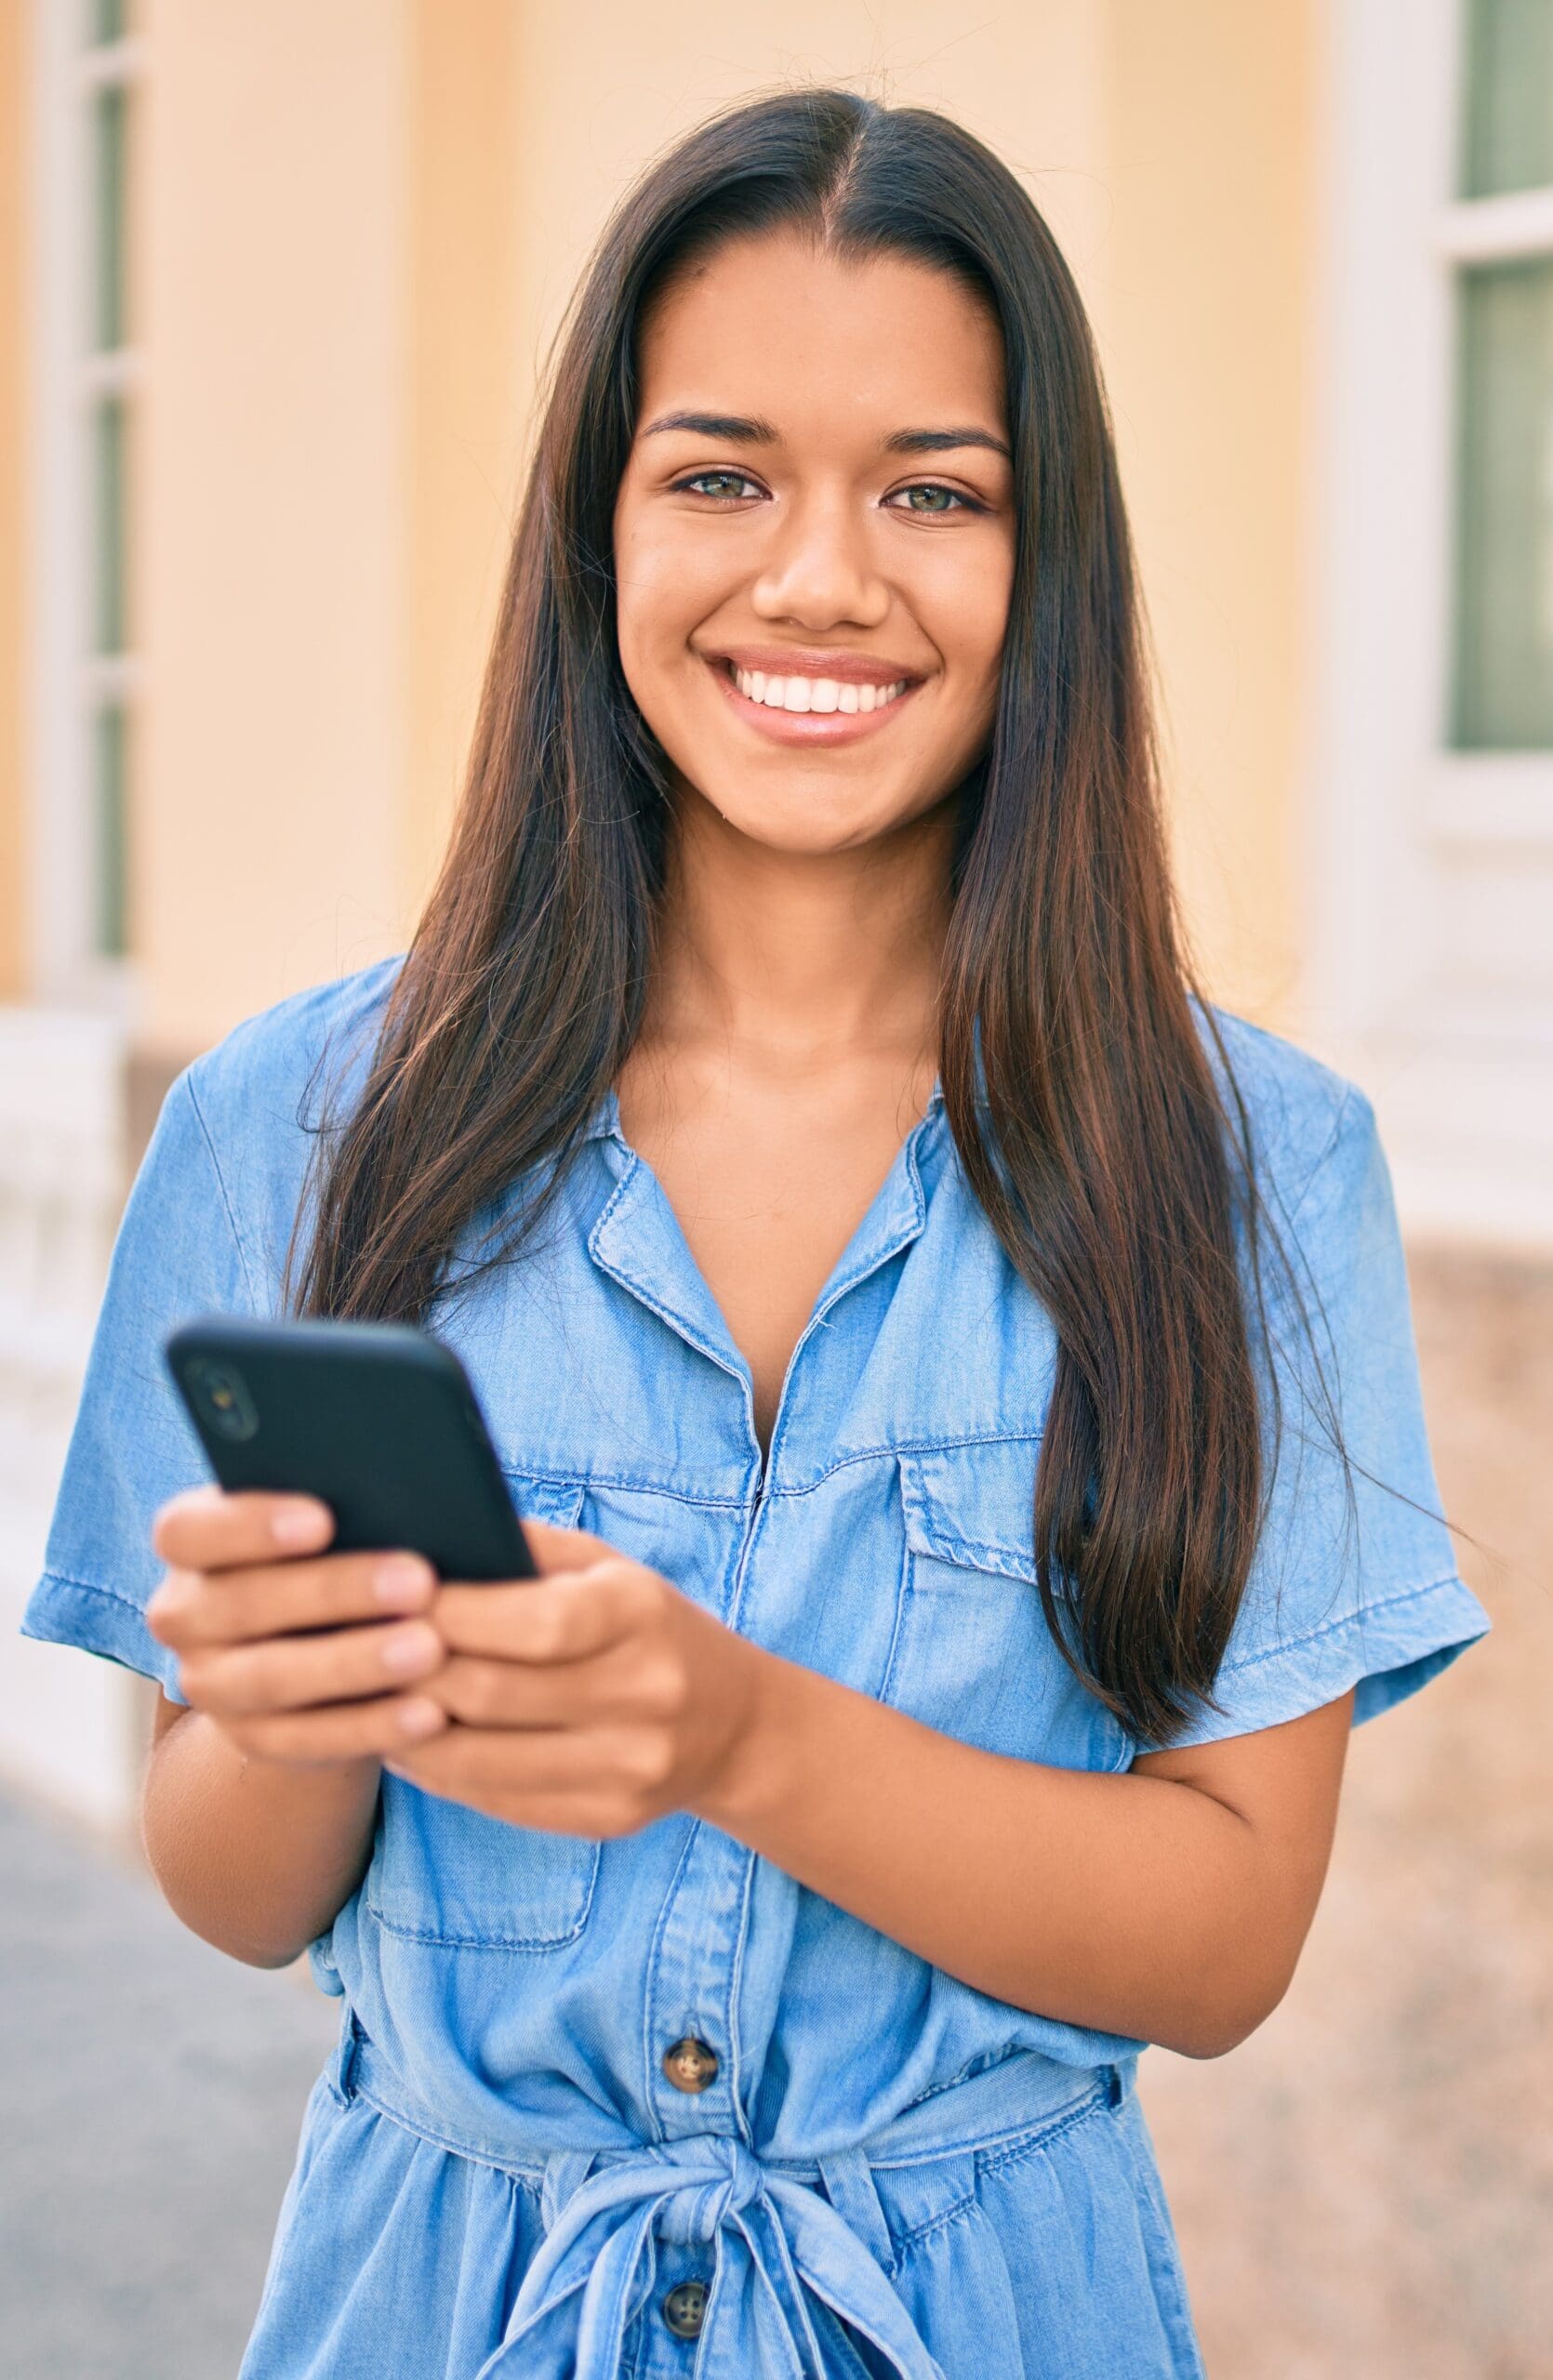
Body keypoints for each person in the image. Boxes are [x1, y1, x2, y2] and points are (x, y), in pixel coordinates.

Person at [20, 85, 1492, 2380]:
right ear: (597, 529)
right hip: (431, 2306)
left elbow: (1222, 1941)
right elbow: (227, 1882)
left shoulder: (1248, 1163)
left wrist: (729, 1732)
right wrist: (307, 1715)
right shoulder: (298, 1127)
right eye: (718, 475)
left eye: (934, 489)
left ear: (1049, 563)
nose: (819, 575)